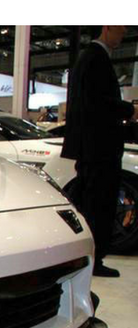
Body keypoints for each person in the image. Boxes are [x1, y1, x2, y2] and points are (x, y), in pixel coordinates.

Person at [61, 26, 138, 278]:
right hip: (99, 148)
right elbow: (99, 103)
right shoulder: (95, 58)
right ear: (107, 27)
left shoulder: (89, 57)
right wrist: (130, 111)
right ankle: (94, 259)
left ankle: (89, 258)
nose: (123, 32)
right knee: (99, 204)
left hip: (92, 148)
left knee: (91, 203)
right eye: (120, 28)